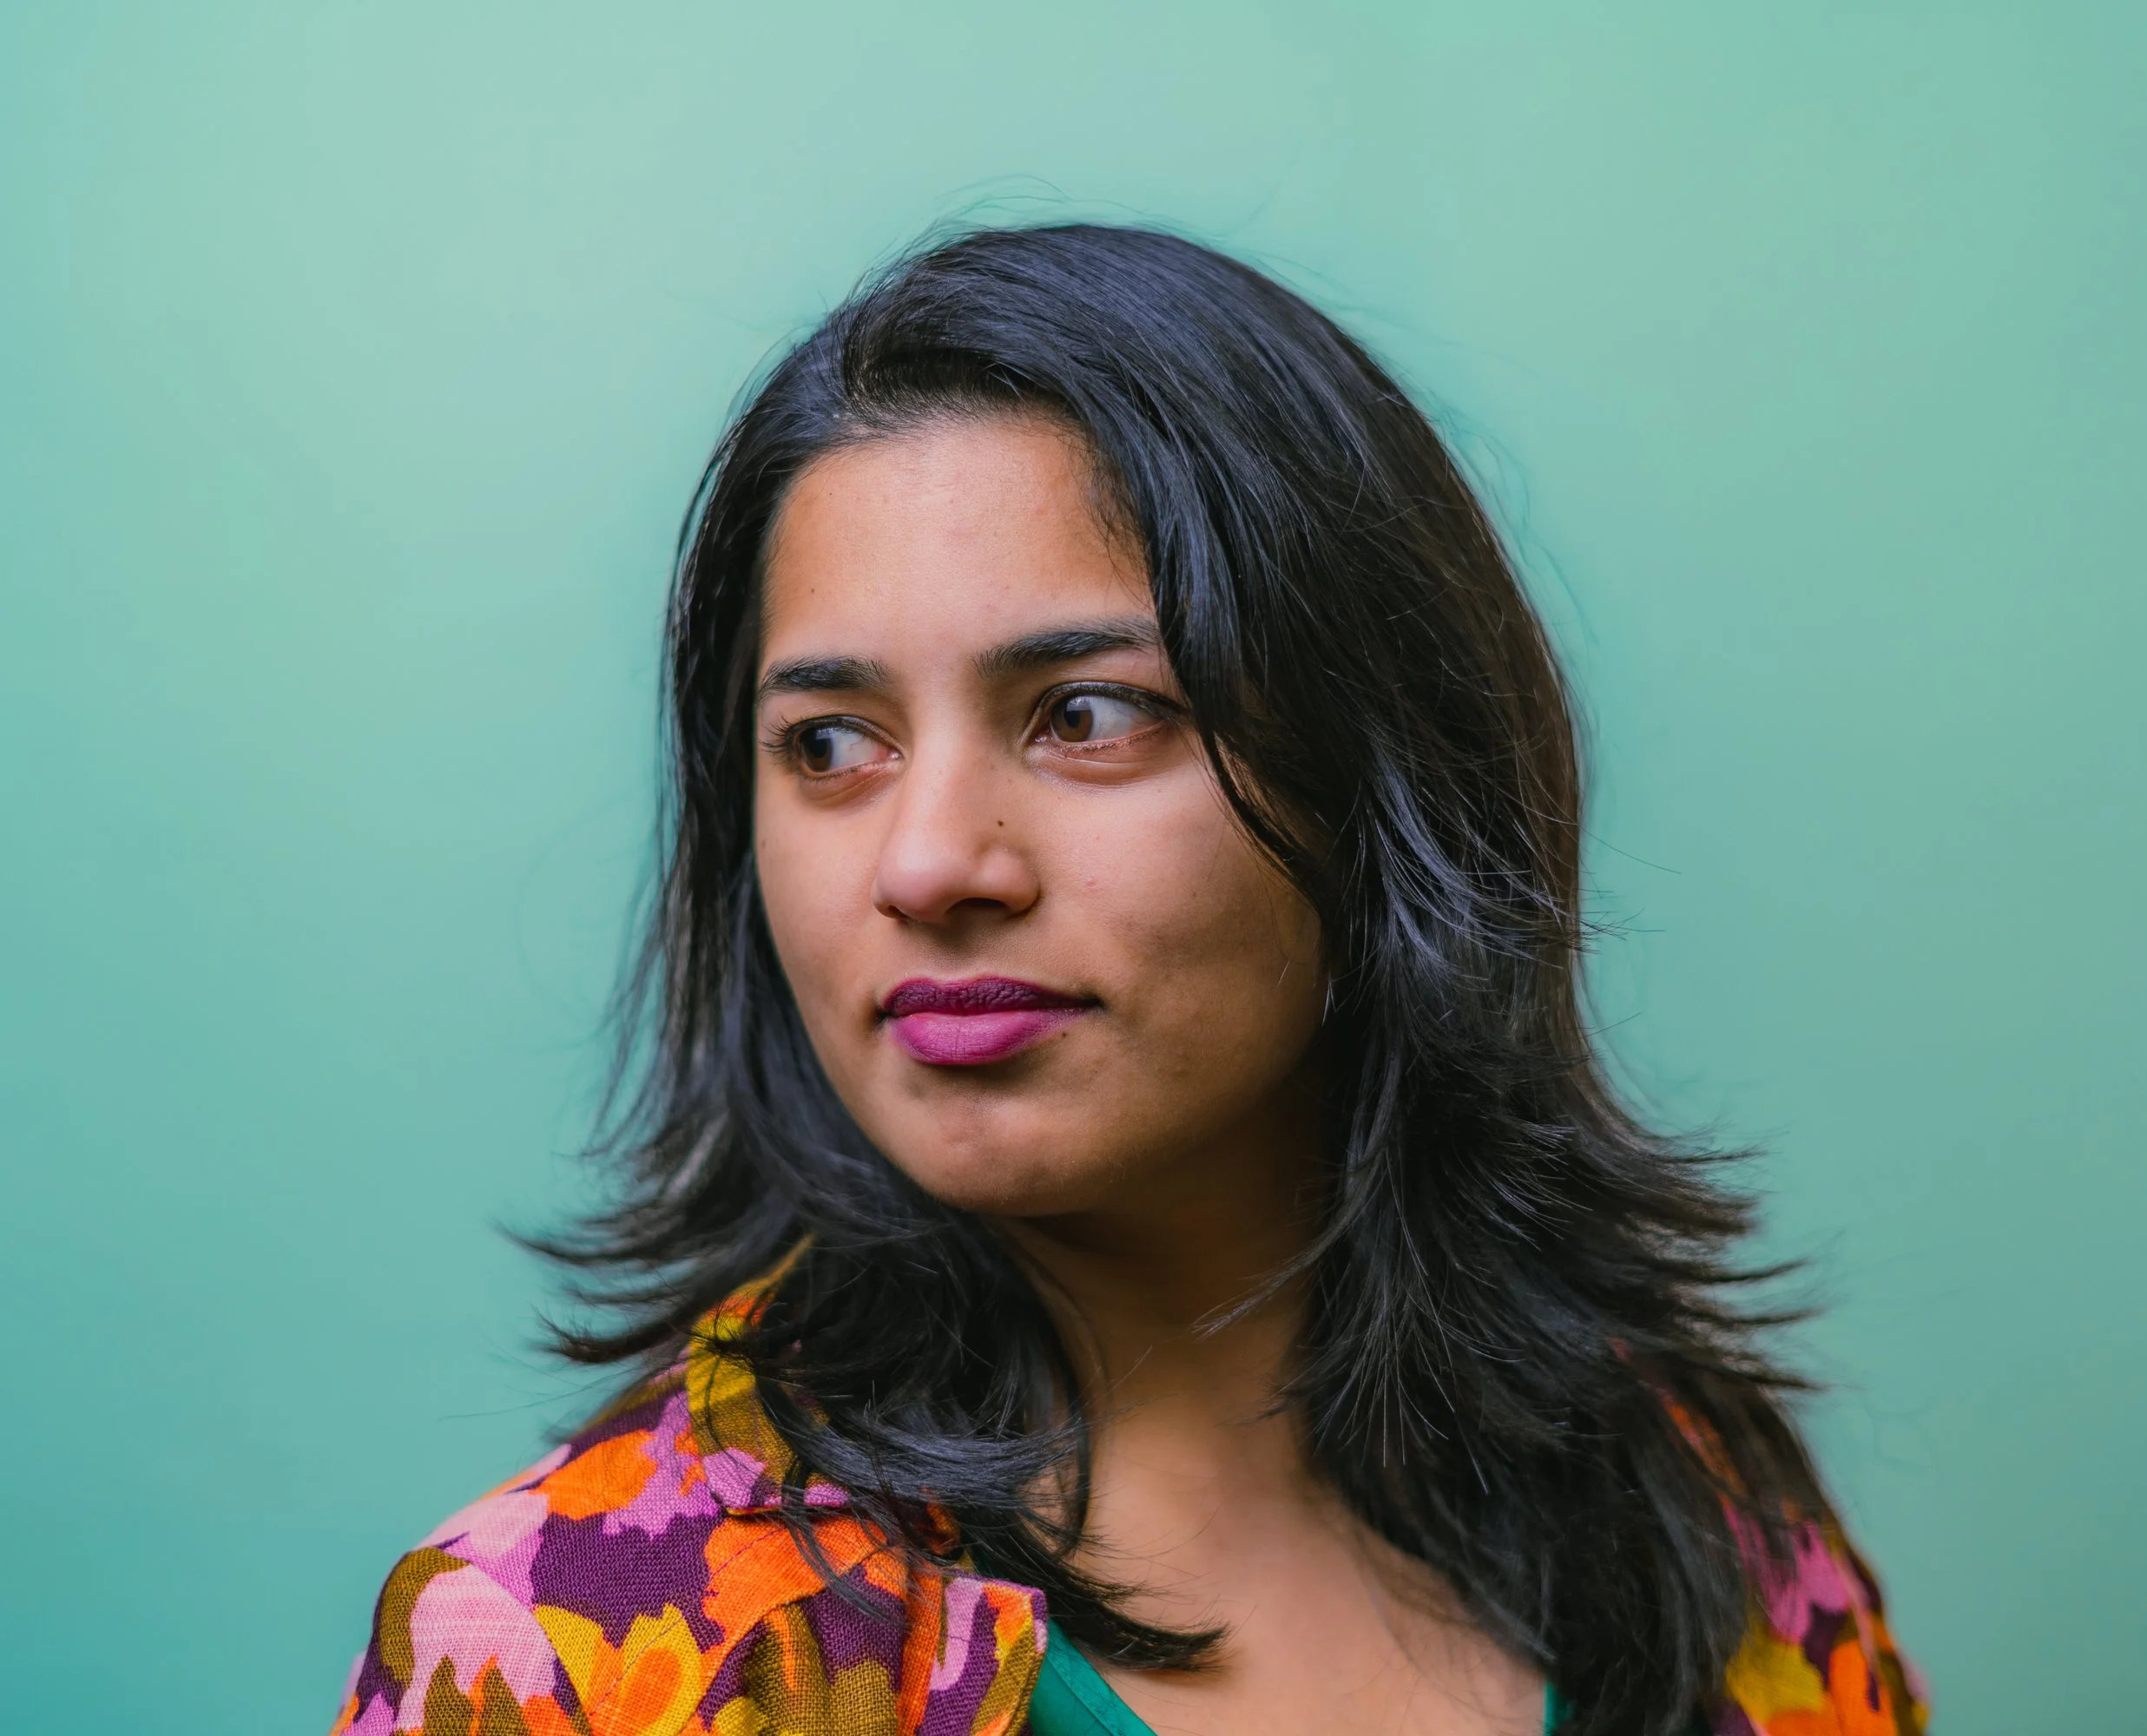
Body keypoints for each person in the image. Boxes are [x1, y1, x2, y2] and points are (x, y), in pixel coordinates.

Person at [329, 225, 1927, 1736]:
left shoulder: (1698, 1510)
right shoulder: (573, 1648)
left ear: (1386, 782)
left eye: (1088, 714)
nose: (929, 860)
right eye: (830, 745)